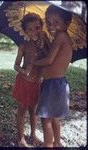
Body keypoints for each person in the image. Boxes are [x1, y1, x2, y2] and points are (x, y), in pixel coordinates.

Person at [31, 5, 73, 147]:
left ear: (67, 23)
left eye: (56, 22)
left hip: (52, 84)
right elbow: (52, 54)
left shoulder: (61, 36)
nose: (51, 26)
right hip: (58, 83)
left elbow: (49, 60)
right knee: (54, 117)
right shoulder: (61, 37)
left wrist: (33, 62)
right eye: (48, 22)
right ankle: (57, 144)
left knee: (46, 119)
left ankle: (48, 145)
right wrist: (46, 40)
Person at [12, 13, 50, 147]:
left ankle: (33, 135)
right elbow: (15, 65)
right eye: (30, 29)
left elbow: (50, 58)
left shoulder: (45, 44)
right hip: (23, 82)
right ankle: (20, 138)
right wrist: (23, 70)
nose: (34, 31)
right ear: (25, 31)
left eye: (37, 27)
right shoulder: (23, 46)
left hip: (36, 83)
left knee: (33, 111)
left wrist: (44, 43)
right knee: (22, 110)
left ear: (42, 27)